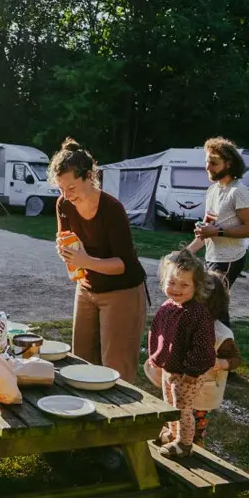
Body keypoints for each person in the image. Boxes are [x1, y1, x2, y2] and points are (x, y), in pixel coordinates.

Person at [50, 138, 147, 381]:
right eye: (61, 188)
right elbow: (67, 240)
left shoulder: (112, 209)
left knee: (116, 369)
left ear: (89, 176)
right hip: (86, 288)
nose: (66, 194)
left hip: (122, 290)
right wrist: (65, 251)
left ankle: (123, 416)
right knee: (81, 363)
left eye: (71, 188)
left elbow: (122, 265)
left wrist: (84, 261)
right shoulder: (64, 204)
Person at [146, 250, 216, 458]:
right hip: (170, 368)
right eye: (171, 282)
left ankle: (184, 443)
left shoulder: (197, 314)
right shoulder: (167, 307)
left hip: (188, 374)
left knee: (182, 408)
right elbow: (156, 332)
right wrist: (155, 357)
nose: (176, 289)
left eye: (184, 285)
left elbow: (203, 347)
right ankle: (172, 433)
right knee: (169, 403)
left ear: (197, 287)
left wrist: (192, 372)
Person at [186, 137, 249, 325]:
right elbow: (207, 230)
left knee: (210, 305)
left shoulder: (239, 192)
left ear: (229, 163)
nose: (208, 167)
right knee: (215, 307)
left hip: (230, 259)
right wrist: (185, 253)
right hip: (213, 256)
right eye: (207, 162)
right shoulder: (212, 190)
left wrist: (216, 231)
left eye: (213, 163)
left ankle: (221, 350)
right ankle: (222, 350)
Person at [190, 273, 242, 447]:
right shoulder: (185, 323)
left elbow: (235, 359)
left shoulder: (221, 334)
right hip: (180, 385)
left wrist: (219, 363)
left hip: (203, 392)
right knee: (174, 418)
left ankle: (194, 452)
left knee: (195, 428)